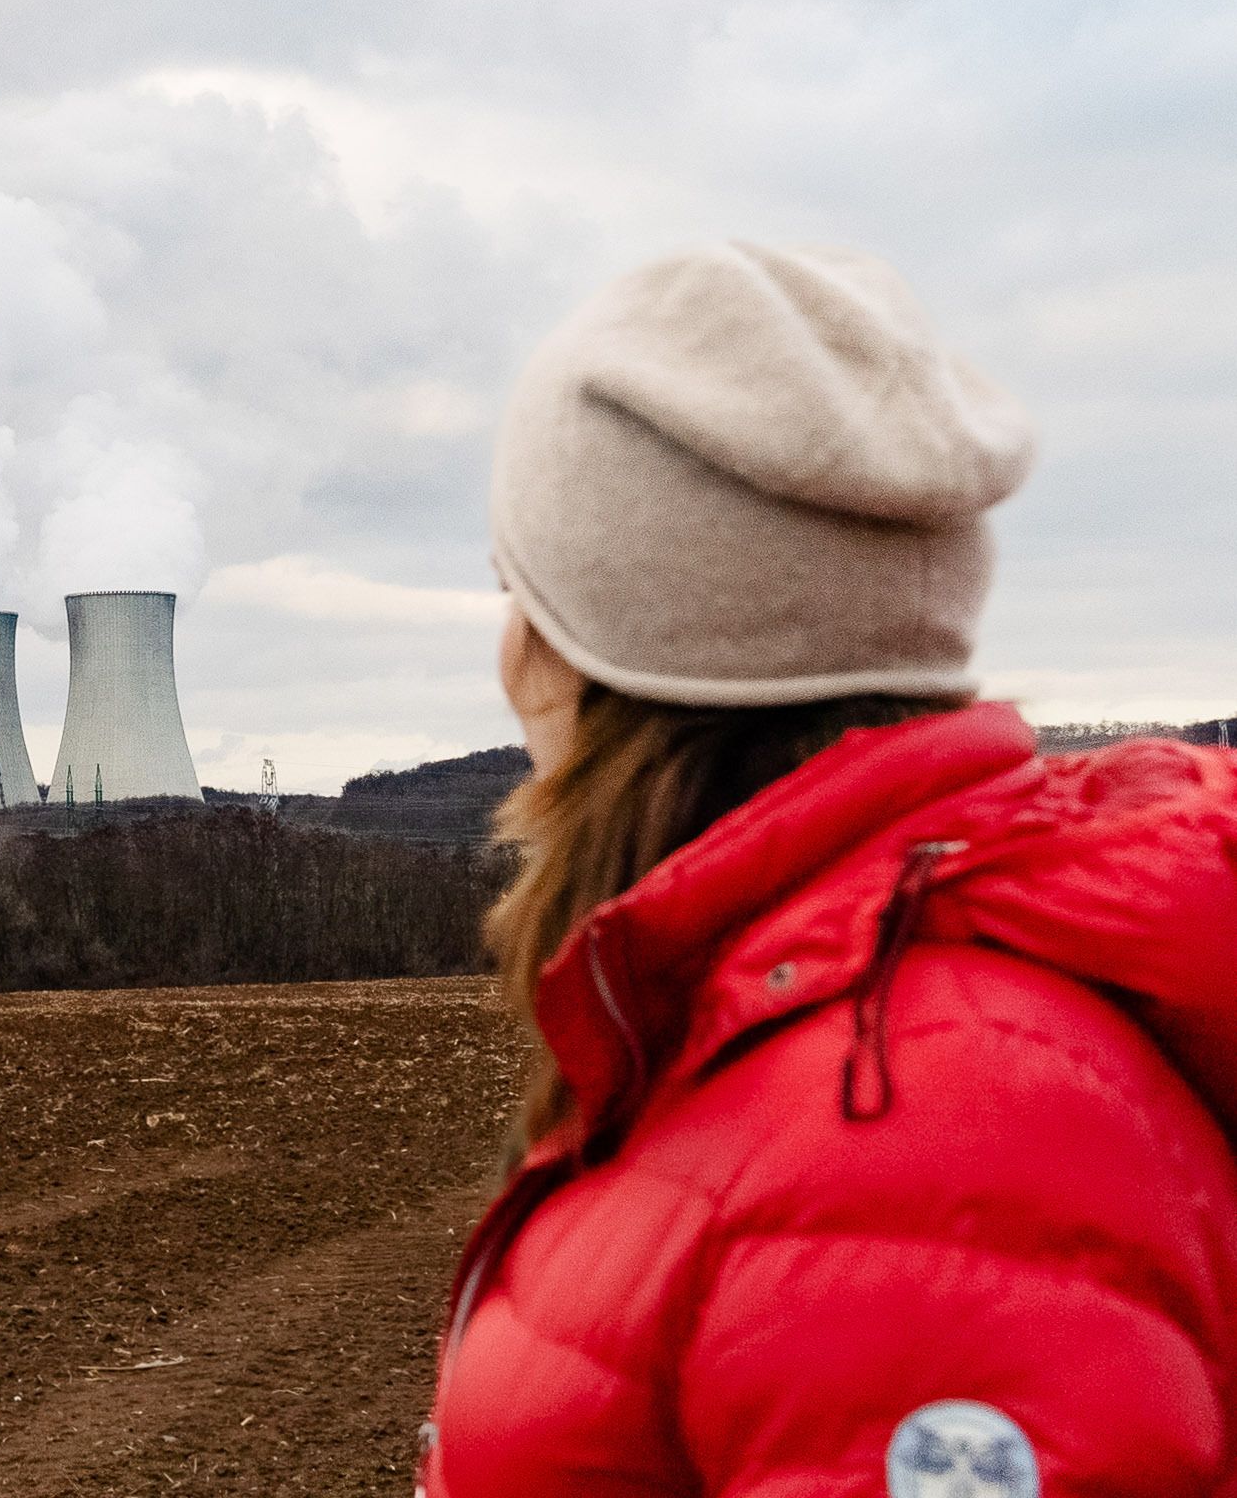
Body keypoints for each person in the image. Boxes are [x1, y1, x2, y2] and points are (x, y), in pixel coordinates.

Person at [419, 243, 1237, 1498]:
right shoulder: (769, 1025)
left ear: (604, 644)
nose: (505, 649)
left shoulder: (916, 1123)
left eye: (516, 592)